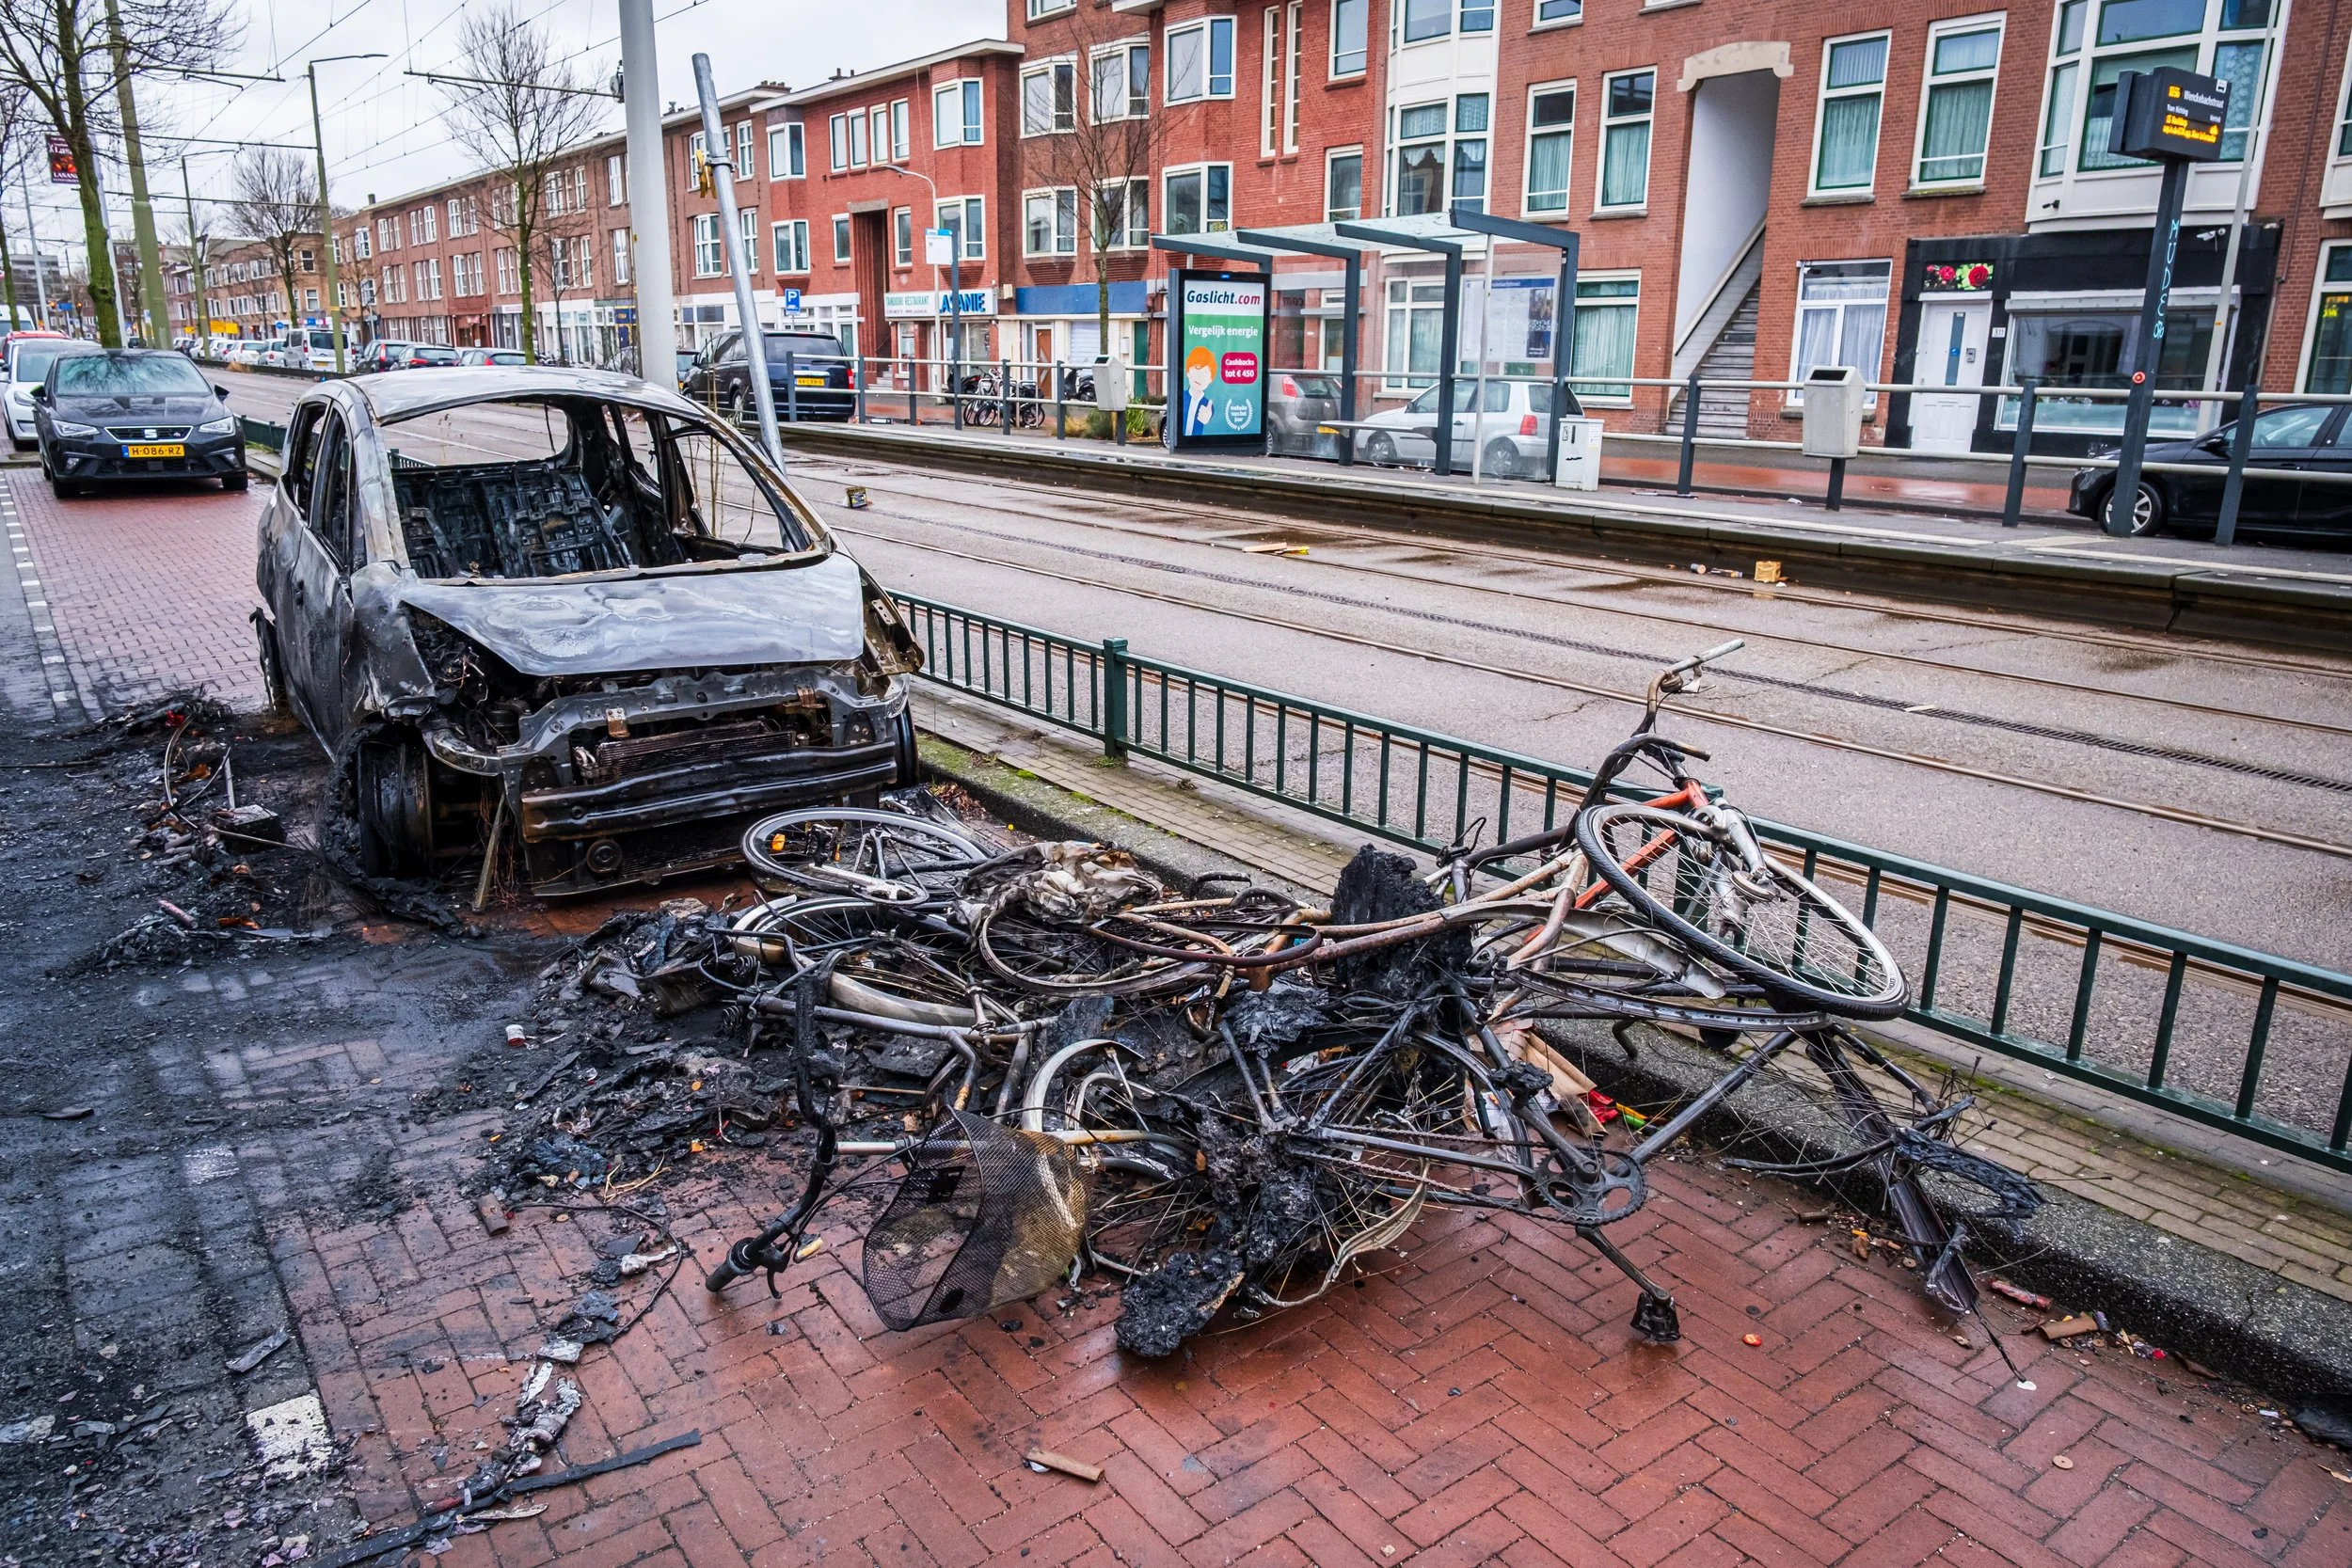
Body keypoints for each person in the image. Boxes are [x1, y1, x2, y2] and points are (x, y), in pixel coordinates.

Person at [1180, 344, 1216, 438]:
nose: (1199, 377)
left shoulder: (1207, 405)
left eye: (1205, 374)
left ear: (1210, 379)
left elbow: (1208, 415)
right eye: (1196, 369)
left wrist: (1207, 418)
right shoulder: (1180, 397)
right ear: (1188, 372)